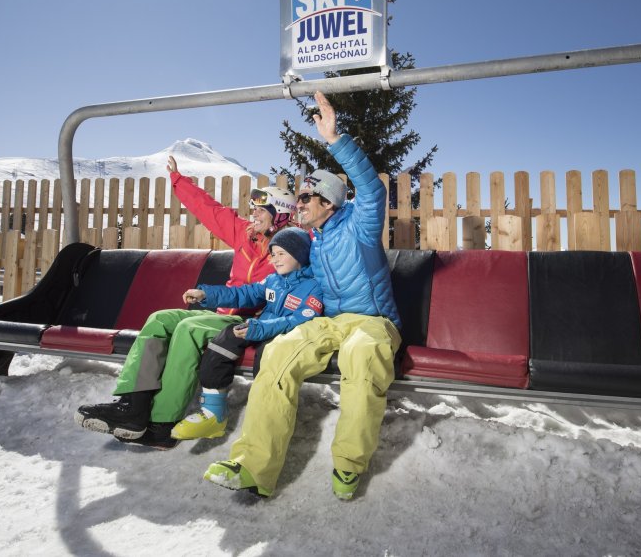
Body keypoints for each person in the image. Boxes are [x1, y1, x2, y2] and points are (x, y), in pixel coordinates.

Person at [205, 91, 401, 500]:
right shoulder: (313, 238)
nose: (299, 203)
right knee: (277, 353)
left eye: (306, 197)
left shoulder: (359, 226)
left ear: (329, 201)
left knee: (361, 355)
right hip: (328, 322)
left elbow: (373, 191)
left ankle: (349, 464)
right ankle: (254, 466)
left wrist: (335, 139)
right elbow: (281, 260)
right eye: (298, 198)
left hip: (373, 322)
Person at [75, 157, 299, 449]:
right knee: (159, 319)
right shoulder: (245, 235)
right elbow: (211, 211)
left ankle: (162, 423)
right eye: (253, 209)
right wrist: (179, 181)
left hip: (249, 321)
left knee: (189, 328)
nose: (254, 215)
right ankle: (134, 403)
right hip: (222, 312)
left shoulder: (293, 249)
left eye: (261, 210)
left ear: (279, 215)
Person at [170, 227, 323, 440]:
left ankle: (266, 422)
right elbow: (244, 294)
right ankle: (213, 414)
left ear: (299, 255)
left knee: (268, 354)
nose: (275, 260)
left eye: (282, 254)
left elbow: (300, 319)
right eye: (273, 254)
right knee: (226, 336)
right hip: (260, 327)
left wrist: (261, 328)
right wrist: (207, 294)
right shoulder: (273, 280)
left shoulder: (313, 287)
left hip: (285, 337)